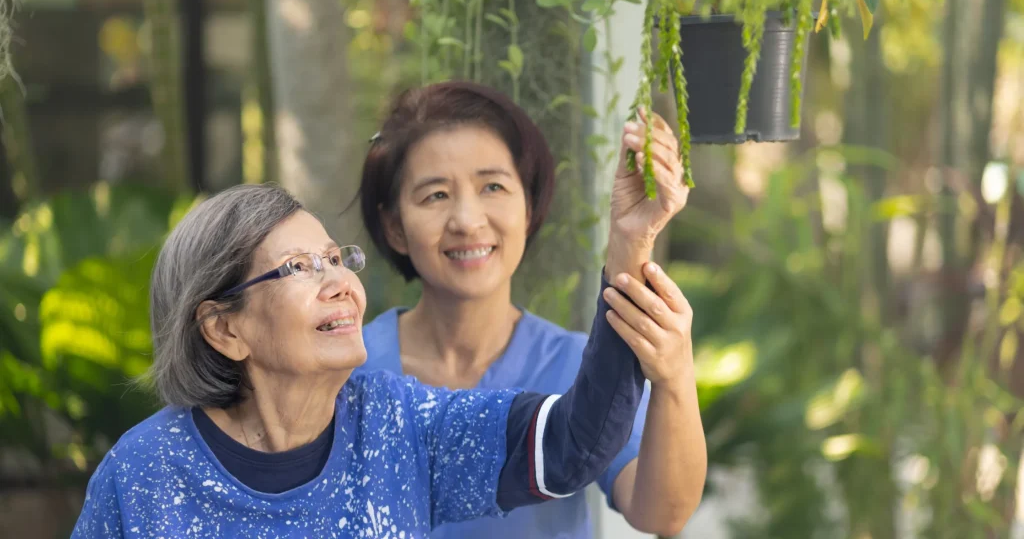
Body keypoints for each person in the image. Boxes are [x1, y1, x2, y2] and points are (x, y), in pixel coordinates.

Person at [69, 138, 691, 538]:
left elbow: (576, 444)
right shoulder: (144, 473)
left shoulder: (400, 423)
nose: (339, 280)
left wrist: (631, 246)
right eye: (298, 268)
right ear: (225, 328)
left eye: (336, 258)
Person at [358, 81, 707, 538]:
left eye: (493, 187)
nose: (467, 220)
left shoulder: (578, 368)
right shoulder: (350, 369)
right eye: (436, 195)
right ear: (395, 226)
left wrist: (675, 376)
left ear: (529, 205)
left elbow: (662, 514)